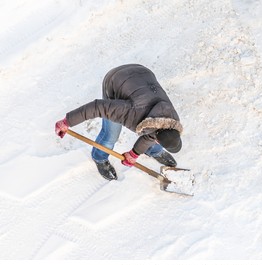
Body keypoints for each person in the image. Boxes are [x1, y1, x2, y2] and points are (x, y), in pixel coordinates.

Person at [55, 64, 183, 180]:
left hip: (143, 75)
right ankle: (100, 157)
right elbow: (98, 107)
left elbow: (153, 133)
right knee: (111, 133)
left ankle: (153, 150)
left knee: (156, 134)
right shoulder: (130, 112)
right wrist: (67, 121)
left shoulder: (172, 120)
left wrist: (134, 154)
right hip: (116, 79)